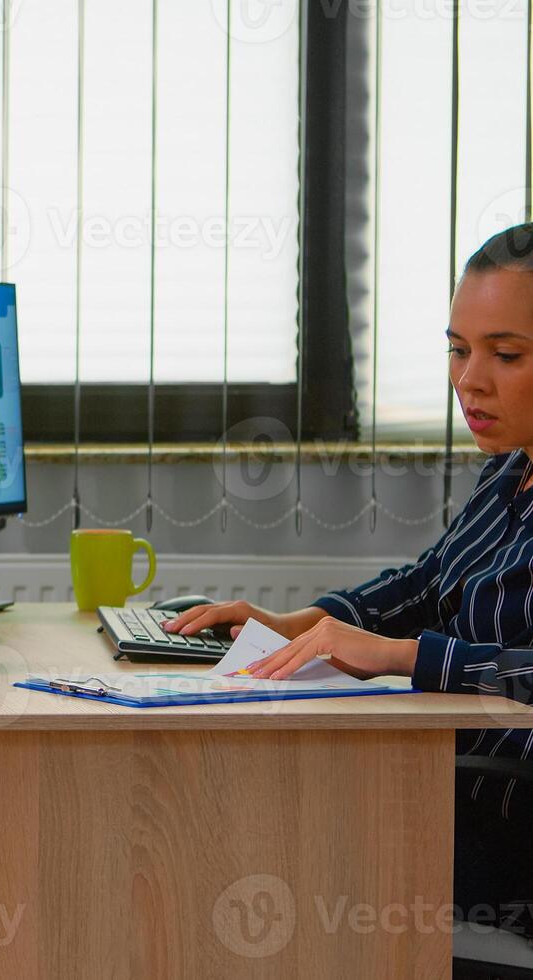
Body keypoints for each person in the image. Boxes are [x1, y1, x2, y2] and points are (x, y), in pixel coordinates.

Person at [163, 221, 533, 933]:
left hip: (503, 822)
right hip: (440, 778)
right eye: (457, 351)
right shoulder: (508, 474)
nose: (468, 381)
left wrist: (401, 657)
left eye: (506, 355)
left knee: (241, 815)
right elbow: (428, 582)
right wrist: (295, 624)